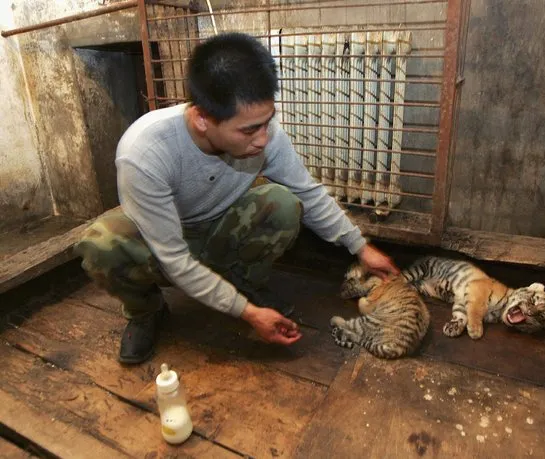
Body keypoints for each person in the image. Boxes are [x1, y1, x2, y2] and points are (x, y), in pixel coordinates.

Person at [74, 32, 399, 364]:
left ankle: (244, 284)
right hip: (165, 239)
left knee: (285, 204)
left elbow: (308, 191)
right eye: (248, 131)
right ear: (203, 118)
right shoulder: (144, 153)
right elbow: (174, 259)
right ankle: (146, 311)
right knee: (101, 244)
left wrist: (361, 247)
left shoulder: (262, 131)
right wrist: (248, 315)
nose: (262, 140)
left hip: (220, 227)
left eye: (266, 123)